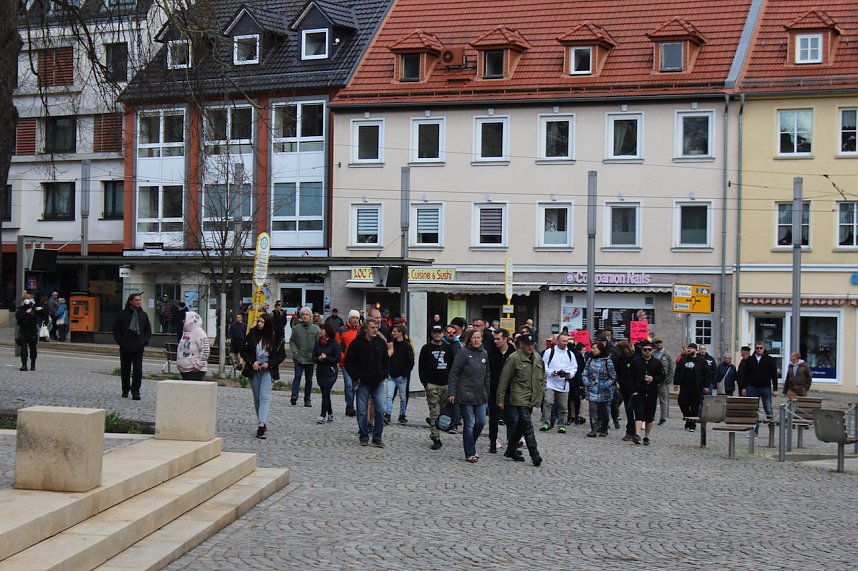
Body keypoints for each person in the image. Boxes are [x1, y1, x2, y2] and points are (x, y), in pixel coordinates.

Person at [497, 333, 546, 466]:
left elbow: (542, 375)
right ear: (521, 345)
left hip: (533, 395)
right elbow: (504, 379)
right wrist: (500, 399)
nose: (530, 347)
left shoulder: (537, 357)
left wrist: (543, 389)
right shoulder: (514, 358)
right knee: (528, 424)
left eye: (532, 344)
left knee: (522, 425)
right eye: (527, 345)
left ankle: (511, 449)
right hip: (519, 395)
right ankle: (535, 454)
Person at [447, 329, 491, 463]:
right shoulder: (463, 353)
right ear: (470, 339)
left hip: (480, 394)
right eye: (474, 337)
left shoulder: (484, 353)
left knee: (481, 422)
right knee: (469, 424)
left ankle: (471, 442)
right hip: (465, 393)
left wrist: (487, 392)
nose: (477, 340)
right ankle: (470, 452)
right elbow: (454, 373)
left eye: (479, 337)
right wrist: (452, 392)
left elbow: (487, 374)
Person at [345, 317, 389, 447]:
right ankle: (364, 435)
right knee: (362, 411)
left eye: (376, 327)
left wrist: (384, 374)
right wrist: (356, 377)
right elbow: (349, 362)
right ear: (365, 329)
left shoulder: (380, 342)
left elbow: (386, 360)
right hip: (363, 382)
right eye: (372, 327)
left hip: (378, 382)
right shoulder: (357, 343)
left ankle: (377, 437)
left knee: (380, 410)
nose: (375, 330)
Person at [240, 314, 286, 439]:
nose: (259, 323)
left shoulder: (276, 336)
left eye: (262, 322)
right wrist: (252, 362)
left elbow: (281, 355)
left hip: (268, 369)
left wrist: (269, 363)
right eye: (258, 321)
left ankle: (261, 425)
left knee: (264, 396)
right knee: (257, 398)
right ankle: (262, 420)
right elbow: (243, 350)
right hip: (254, 368)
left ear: (268, 323)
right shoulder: (253, 333)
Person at [418, 324, 454, 450]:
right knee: (434, 411)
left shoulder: (448, 349)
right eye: (435, 332)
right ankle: (435, 437)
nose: (438, 334)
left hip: (445, 384)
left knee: (443, 411)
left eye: (440, 332)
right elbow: (421, 367)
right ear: (431, 334)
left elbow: (452, 366)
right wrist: (425, 384)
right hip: (432, 384)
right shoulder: (426, 349)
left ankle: (438, 425)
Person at [112, 292, 152, 400]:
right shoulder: (123, 314)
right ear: (130, 301)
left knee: (138, 370)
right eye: (136, 300)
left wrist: (144, 341)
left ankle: (136, 391)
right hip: (126, 346)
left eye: (139, 300)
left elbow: (148, 330)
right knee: (125, 369)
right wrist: (121, 341)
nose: (138, 302)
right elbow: (116, 330)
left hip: (138, 346)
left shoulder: (143, 314)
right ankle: (125, 389)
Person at [738, 342, 779, 433]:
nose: (759, 349)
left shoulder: (769, 360)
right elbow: (745, 375)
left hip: (765, 387)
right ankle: (754, 430)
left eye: (761, 348)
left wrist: (775, 389)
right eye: (757, 348)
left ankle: (771, 429)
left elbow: (774, 375)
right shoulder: (750, 360)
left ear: (764, 349)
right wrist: (743, 388)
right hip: (752, 387)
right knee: (753, 409)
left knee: (768, 408)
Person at [630, 341, 665, 445]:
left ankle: (646, 436)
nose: (647, 352)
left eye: (649, 350)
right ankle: (637, 434)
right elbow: (630, 377)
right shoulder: (635, 362)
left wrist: (653, 379)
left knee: (649, 417)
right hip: (639, 392)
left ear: (652, 351)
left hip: (651, 393)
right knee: (639, 414)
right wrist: (633, 391)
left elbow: (662, 377)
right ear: (642, 350)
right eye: (645, 349)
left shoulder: (657, 363)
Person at [540, 332, 577, 433]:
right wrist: (552, 372)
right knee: (548, 401)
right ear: (557, 342)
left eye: (566, 341)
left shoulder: (570, 354)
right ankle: (546, 422)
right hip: (550, 382)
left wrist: (569, 374)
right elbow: (544, 365)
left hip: (563, 383)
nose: (565, 343)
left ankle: (561, 424)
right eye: (563, 341)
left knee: (563, 406)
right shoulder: (549, 352)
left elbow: (574, 368)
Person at [488, 328, 516, 453]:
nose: (495, 341)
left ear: (505, 339)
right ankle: (493, 442)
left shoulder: (513, 353)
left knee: (510, 419)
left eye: (498, 339)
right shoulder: (491, 352)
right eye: (494, 338)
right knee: (494, 419)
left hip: (509, 391)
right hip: (494, 390)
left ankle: (511, 445)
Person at [582, 341, 617, 438]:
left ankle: (604, 427)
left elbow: (613, 376)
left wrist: (606, 384)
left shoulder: (607, 361)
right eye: (592, 348)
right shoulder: (590, 360)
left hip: (604, 390)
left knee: (603, 410)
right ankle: (593, 428)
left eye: (595, 348)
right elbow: (584, 373)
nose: (592, 350)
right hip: (592, 389)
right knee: (592, 409)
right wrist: (587, 382)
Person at [289, 306, 320, 407]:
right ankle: (294, 396)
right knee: (297, 377)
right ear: (300, 316)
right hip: (299, 358)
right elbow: (292, 340)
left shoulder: (316, 329)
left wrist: (316, 354)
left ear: (310, 317)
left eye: (307, 315)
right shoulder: (296, 328)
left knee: (309, 380)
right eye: (303, 315)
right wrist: (295, 352)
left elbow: (319, 343)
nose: (305, 316)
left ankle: (307, 399)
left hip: (310, 359)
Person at [385, 324, 414, 425]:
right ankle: (387, 414)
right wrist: (387, 371)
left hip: (401, 376)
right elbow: (387, 358)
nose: (392, 333)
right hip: (391, 375)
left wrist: (405, 374)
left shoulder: (406, 345)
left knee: (403, 397)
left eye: (394, 331)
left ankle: (402, 414)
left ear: (400, 333)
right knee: (389, 396)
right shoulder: (392, 344)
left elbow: (410, 362)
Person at [313, 322, 342, 424]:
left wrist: (326, 358)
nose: (320, 331)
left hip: (331, 372)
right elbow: (313, 357)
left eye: (322, 330)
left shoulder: (334, 343)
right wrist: (319, 359)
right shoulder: (318, 342)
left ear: (327, 332)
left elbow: (337, 358)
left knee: (325, 392)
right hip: (320, 371)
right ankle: (330, 413)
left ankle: (322, 415)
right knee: (325, 393)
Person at [674, 343, 706, 432]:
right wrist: (675, 383)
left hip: (696, 388)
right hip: (685, 387)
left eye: (691, 348)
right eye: (688, 348)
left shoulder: (701, 361)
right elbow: (678, 371)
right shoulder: (683, 360)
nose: (689, 350)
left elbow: (707, 373)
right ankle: (687, 418)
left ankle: (692, 425)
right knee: (682, 402)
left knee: (694, 406)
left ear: (696, 350)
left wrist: (706, 385)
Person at [338, 310, 361, 416]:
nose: (355, 320)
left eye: (357, 318)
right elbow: (337, 345)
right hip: (346, 362)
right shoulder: (342, 330)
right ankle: (350, 406)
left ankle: (352, 404)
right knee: (348, 384)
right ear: (349, 318)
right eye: (353, 318)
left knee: (354, 385)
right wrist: (342, 357)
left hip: (357, 363)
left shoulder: (361, 331)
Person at [15, 294, 46, 371]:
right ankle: (24, 365)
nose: (27, 300)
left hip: (32, 331)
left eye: (28, 298)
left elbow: (44, 315)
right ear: (23, 300)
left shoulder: (34, 309)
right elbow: (18, 318)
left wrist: (41, 309)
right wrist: (26, 312)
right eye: (25, 299)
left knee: (33, 349)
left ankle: (33, 365)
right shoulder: (20, 309)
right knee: (23, 349)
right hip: (24, 331)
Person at [176, 311, 210, 381]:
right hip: (185, 370)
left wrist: (198, 365)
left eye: (185, 319)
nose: (183, 321)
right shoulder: (185, 332)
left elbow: (205, 350)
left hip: (195, 371)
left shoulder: (199, 332)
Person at [614, 340, 636, 441]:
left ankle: (633, 431)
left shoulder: (634, 358)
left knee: (631, 408)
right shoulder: (620, 359)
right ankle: (631, 431)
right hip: (625, 388)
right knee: (628, 409)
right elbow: (618, 373)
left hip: (635, 388)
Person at [653, 338, 675, 425]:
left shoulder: (667, 354)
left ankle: (663, 418)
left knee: (663, 400)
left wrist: (669, 380)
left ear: (663, 343)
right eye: (657, 343)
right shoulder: (653, 353)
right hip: (654, 380)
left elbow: (671, 368)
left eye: (660, 342)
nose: (658, 344)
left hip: (663, 381)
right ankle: (652, 416)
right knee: (652, 400)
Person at [566, 342, 587, 426]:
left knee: (575, 398)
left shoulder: (577, 355)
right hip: (570, 379)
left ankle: (575, 415)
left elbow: (581, 367)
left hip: (576, 379)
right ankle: (572, 416)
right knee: (571, 399)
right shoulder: (567, 354)